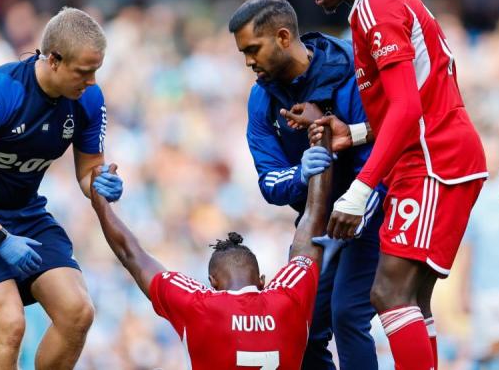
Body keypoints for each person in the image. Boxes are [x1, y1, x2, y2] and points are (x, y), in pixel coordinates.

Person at [293, 0, 489, 368]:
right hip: (435, 154)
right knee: (413, 300)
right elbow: (410, 99)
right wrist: (358, 132)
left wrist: (359, 190)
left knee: (388, 293)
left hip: (434, 159)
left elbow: (407, 109)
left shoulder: (376, 4)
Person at [0, 7, 123, 370]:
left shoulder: (89, 101)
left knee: (77, 312)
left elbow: (88, 171)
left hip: (23, 210)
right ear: (53, 60)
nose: (92, 81)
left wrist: (101, 183)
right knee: (10, 324)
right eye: (84, 71)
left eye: (96, 70)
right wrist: (1, 239)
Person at [88, 130, 335, 370]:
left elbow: (133, 255)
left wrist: (102, 208)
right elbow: (312, 221)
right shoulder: (288, 298)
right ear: (261, 281)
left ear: (212, 283)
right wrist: (321, 140)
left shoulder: (198, 305)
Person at [229, 0, 383, 369]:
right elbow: (270, 182)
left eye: (253, 49)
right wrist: (302, 172)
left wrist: (356, 203)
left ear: (283, 37)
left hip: (375, 208)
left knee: (348, 315)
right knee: (300, 329)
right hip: (320, 221)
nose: (248, 61)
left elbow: (384, 149)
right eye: (243, 53)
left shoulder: (352, 69)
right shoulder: (261, 99)